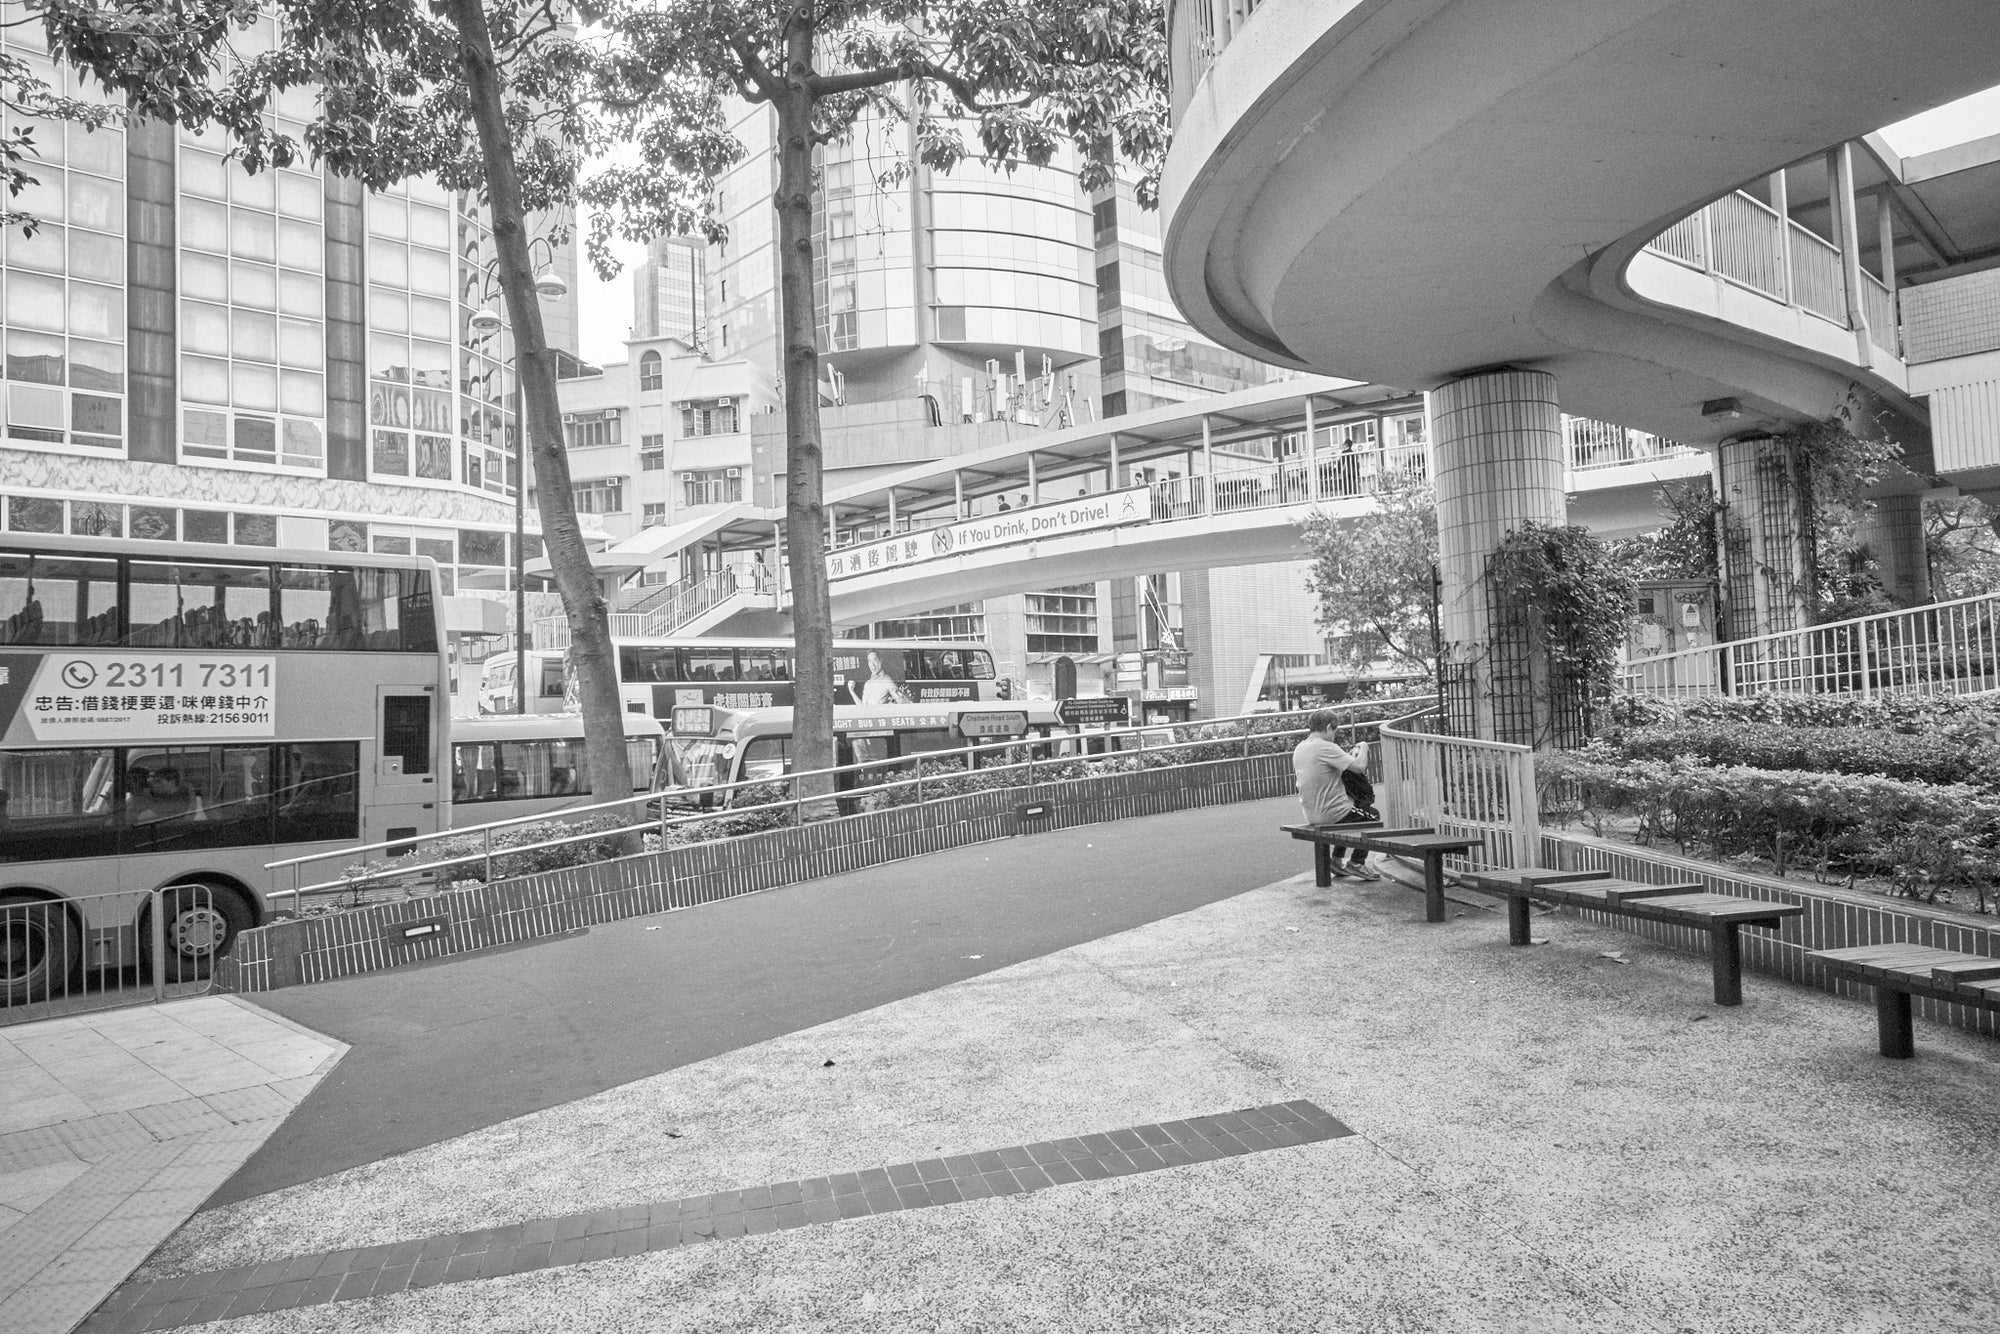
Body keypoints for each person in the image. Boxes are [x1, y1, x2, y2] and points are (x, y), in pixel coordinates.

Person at [1292, 708, 1378, 880]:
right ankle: (1357, 863)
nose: (1335, 735)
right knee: (1372, 815)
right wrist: (1364, 747)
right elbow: (1359, 767)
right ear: (1329, 727)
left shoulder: (1300, 748)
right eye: (1335, 730)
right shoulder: (1326, 747)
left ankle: (1337, 860)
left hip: (1311, 814)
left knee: (1352, 809)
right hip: (1330, 813)